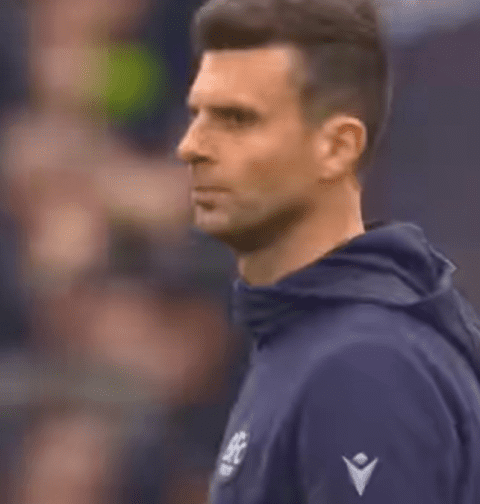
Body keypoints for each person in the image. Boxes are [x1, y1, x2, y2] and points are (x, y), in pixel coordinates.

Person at [176, 0, 480, 502]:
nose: (193, 146)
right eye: (198, 115)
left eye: (237, 119)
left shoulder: (363, 366)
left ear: (337, 148)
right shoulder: (304, 342)